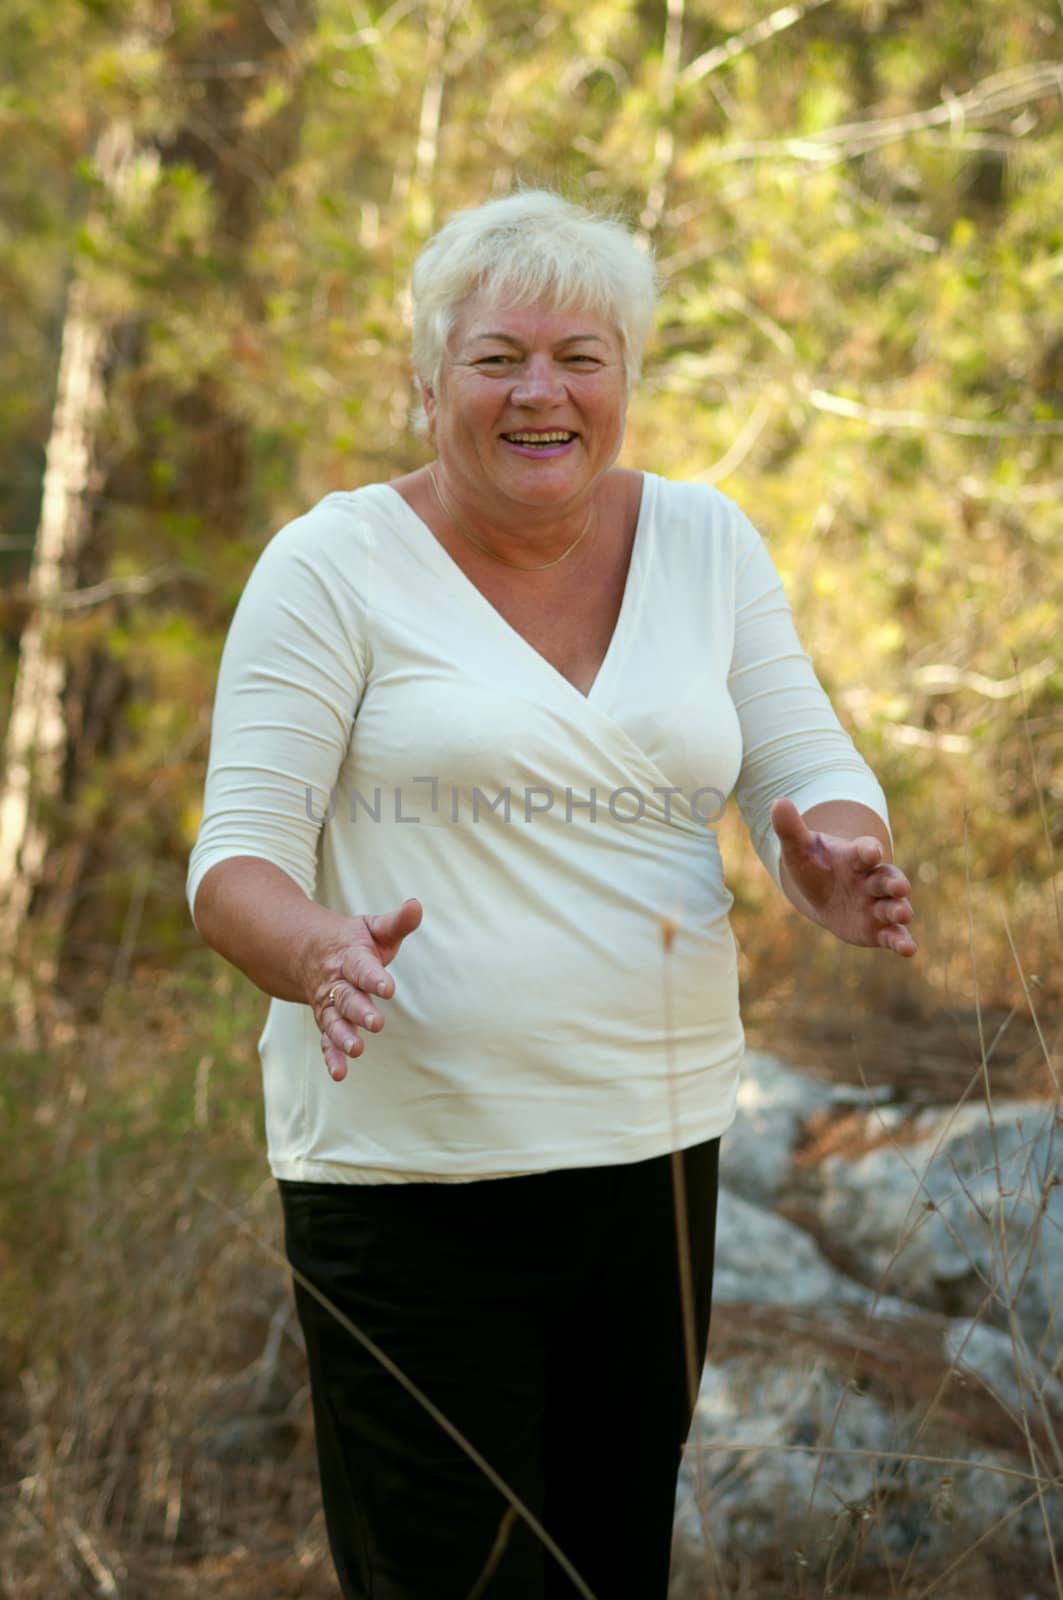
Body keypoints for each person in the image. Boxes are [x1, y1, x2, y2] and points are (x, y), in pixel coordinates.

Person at [187, 189, 916, 1600]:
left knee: (604, 1569)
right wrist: (320, 950)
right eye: (497, 356)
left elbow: (808, 758)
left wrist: (830, 849)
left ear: (626, 380)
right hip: (410, 1175)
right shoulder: (330, 568)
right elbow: (236, 863)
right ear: (426, 383)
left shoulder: (707, 543)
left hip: (654, 1154)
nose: (543, 392)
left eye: (582, 357)